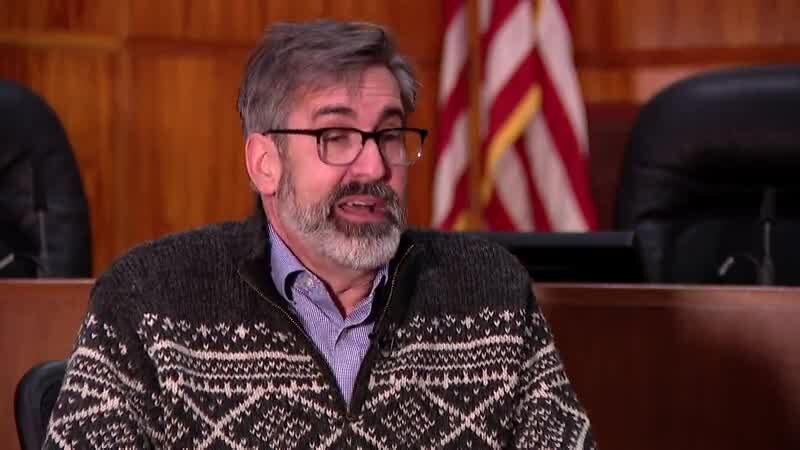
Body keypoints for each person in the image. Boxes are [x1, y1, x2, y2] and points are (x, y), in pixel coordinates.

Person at [45, 20, 595, 449]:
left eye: (389, 135)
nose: (374, 167)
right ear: (265, 163)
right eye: (335, 136)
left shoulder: (490, 288)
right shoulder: (148, 297)